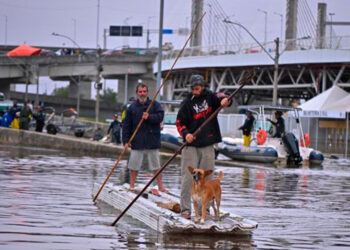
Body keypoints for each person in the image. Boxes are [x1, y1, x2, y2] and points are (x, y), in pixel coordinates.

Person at [176, 74, 231, 219]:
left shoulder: (211, 96)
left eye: (197, 87)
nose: (195, 89)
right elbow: (179, 122)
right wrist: (186, 133)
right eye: (193, 87)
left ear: (203, 86)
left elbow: (222, 96)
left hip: (207, 143)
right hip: (191, 145)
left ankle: (204, 210)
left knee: (207, 178)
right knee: (188, 178)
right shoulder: (186, 103)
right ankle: (185, 209)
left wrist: (225, 101)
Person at [122, 83, 168, 193]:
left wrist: (149, 117)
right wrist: (125, 141)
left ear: (147, 92)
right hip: (137, 140)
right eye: (140, 92)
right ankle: (132, 185)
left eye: (144, 91)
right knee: (134, 164)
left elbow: (160, 116)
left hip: (152, 140)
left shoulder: (155, 105)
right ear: (137, 93)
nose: (142, 94)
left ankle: (160, 186)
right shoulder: (132, 107)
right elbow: (126, 125)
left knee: (156, 165)